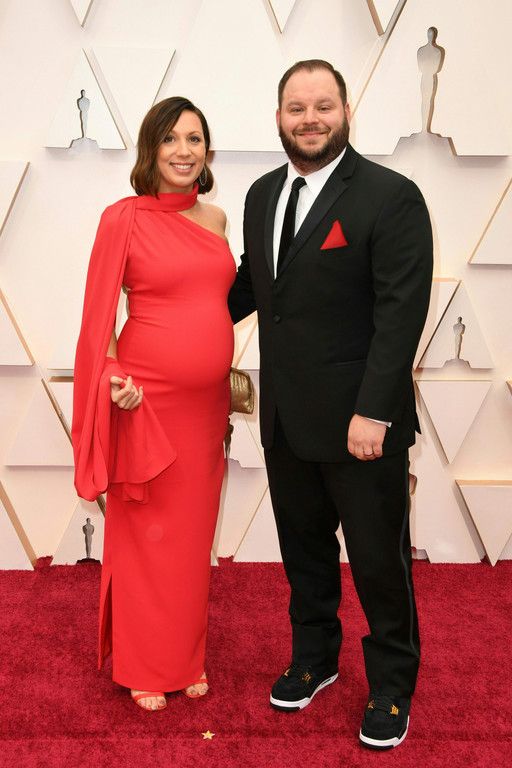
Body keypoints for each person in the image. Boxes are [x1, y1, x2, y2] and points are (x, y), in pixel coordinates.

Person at [228, 60, 433, 749]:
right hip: (286, 420)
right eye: (296, 108)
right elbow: (251, 288)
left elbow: (401, 314)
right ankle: (314, 658)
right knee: (305, 553)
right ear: (278, 117)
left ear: (347, 111)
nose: (309, 119)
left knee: (378, 562)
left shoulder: (390, 196)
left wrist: (375, 411)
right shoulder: (261, 195)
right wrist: (168, 314)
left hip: (360, 425)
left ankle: (392, 686)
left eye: (323, 106)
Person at [72, 97, 235, 711]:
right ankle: (145, 664)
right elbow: (98, 320)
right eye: (170, 139)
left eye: (194, 138)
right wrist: (116, 378)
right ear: (151, 149)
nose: (183, 151)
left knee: (191, 538)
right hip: (145, 401)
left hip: (206, 408)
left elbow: (213, 301)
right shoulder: (123, 219)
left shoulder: (216, 219)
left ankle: (185, 657)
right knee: (146, 535)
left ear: (207, 151)